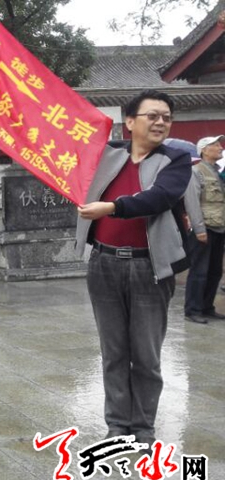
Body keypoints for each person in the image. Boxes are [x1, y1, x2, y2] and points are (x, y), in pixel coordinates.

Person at [75, 90, 192, 452]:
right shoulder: (107, 154)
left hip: (149, 267)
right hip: (104, 264)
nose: (160, 122)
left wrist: (111, 207)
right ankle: (117, 425)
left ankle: (143, 427)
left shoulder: (175, 159)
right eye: (152, 116)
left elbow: (160, 198)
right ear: (129, 122)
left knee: (146, 354)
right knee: (113, 352)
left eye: (166, 117)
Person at [183, 135, 225, 323]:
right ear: (204, 150)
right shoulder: (195, 171)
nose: (220, 147)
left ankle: (207, 307)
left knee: (215, 271)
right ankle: (193, 310)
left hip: (219, 227)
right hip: (204, 228)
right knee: (199, 271)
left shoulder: (218, 172)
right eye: (215, 145)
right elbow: (192, 201)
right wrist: (199, 229)